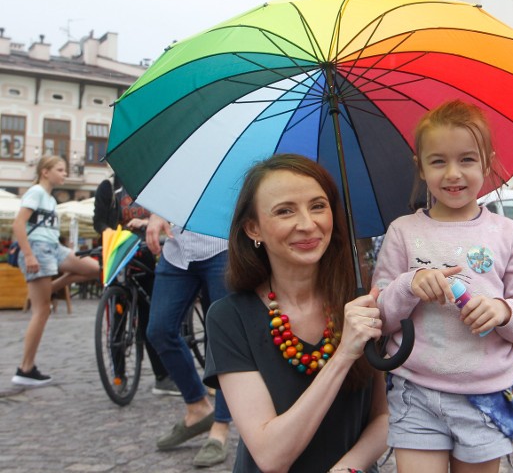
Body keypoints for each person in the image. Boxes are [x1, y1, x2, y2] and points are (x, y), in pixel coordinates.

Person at [373, 99, 513, 472]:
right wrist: (408, 284)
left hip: (484, 397)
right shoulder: (403, 232)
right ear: (420, 166)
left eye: (466, 159)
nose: (453, 173)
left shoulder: (508, 234)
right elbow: (381, 318)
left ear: (487, 161)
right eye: (438, 161)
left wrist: (503, 310)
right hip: (414, 393)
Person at [202, 154, 389, 472]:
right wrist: (344, 354)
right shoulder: (229, 318)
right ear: (253, 229)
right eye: (285, 211)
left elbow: (385, 416)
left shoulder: (365, 305)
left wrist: (348, 469)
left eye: (318, 206)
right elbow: (271, 456)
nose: (307, 224)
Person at [145, 215, 233, 467]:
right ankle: (197, 407)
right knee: (159, 330)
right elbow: (165, 187)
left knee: (223, 337)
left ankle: (220, 425)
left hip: (222, 246)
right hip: (178, 249)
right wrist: (157, 213)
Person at [10, 155, 99, 386]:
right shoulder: (36, 192)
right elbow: (18, 224)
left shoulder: (49, 199)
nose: (65, 174)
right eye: (60, 169)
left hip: (54, 248)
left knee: (94, 268)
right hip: (38, 250)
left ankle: (52, 288)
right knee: (42, 311)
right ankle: (25, 368)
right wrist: (29, 255)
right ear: (45, 172)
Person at [93, 174, 178, 396]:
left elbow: (167, 216)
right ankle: (119, 376)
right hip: (119, 255)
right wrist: (112, 233)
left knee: (149, 317)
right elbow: (99, 221)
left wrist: (147, 222)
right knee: (118, 322)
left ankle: (163, 376)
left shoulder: (149, 183)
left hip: (147, 255)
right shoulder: (109, 187)